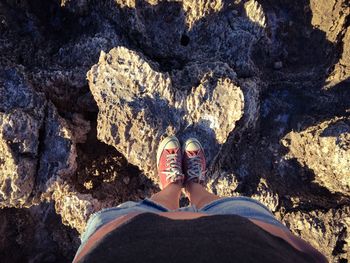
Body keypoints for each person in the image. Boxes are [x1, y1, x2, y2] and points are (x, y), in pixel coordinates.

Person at [73, 136, 327, 263]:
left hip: (125, 235)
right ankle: (194, 186)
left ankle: (174, 185)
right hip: (244, 230)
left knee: (153, 206)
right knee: (221, 205)